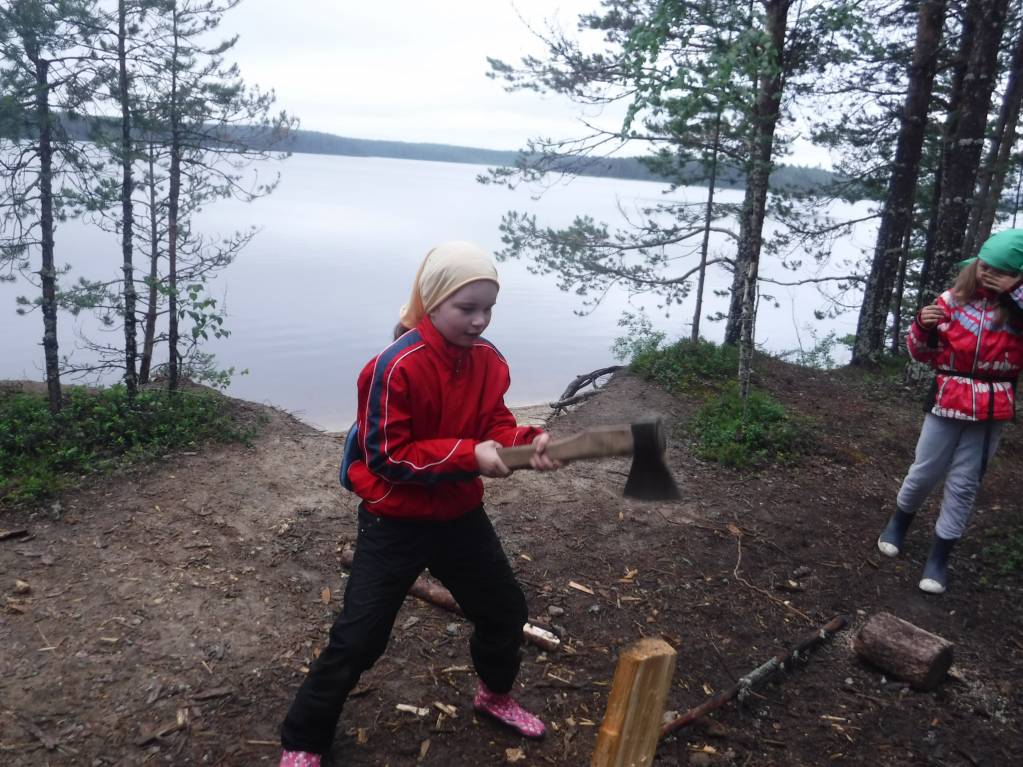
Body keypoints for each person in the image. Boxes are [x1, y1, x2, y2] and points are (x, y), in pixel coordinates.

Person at [278, 241, 560, 767]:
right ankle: (303, 739)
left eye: (488, 308)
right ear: (432, 302)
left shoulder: (488, 361)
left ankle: (494, 696)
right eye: (467, 308)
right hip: (395, 519)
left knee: (504, 612)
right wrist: (469, 455)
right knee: (359, 639)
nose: (480, 321)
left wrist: (526, 442)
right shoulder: (394, 367)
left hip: (459, 515)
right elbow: (386, 456)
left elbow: (495, 423)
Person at [877, 228, 1023, 594]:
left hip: (992, 408)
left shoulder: (1017, 313)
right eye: (985, 266)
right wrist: (922, 327)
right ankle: (898, 522)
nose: (989, 275)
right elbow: (921, 353)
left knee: (965, 482)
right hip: (947, 398)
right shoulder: (953, 301)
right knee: (925, 470)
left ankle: (939, 557)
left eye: (1001, 271)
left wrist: (1016, 294)